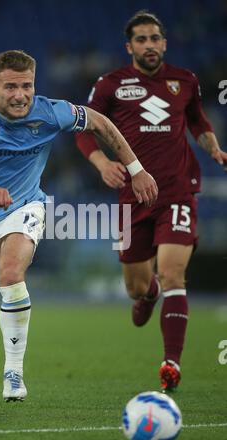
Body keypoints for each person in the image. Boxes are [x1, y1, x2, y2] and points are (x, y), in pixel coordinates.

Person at [0, 50, 157, 401]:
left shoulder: (51, 111)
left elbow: (101, 123)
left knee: (11, 274)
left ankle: (13, 374)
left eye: (26, 85)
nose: (20, 95)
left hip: (23, 206)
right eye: (10, 87)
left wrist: (136, 170)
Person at [76, 10, 227, 392]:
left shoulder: (186, 81)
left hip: (177, 190)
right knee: (136, 288)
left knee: (173, 273)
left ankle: (170, 363)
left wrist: (214, 149)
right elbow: (85, 130)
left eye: (154, 38)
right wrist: (100, 162)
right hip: (131, 196)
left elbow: (198, 122)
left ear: (164, 42)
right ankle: (149, 294)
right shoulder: (110, 85)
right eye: (141, 40)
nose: (149, 45)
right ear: (130, 47)